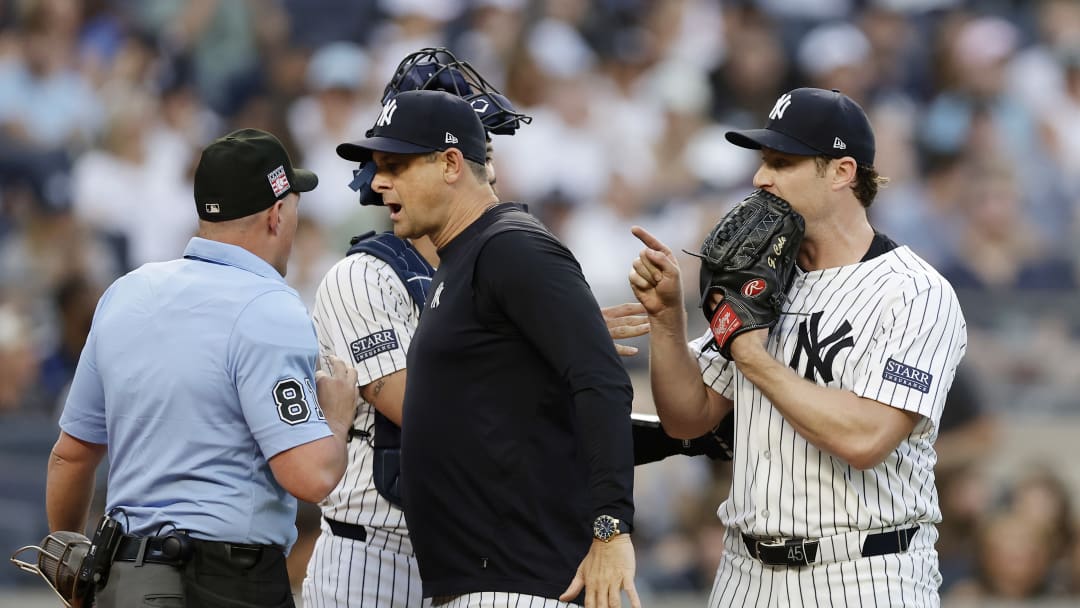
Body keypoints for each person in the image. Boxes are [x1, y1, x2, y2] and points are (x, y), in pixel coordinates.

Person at [627, 88, 967, 606]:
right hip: (744, 571)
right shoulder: (762, 277)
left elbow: (866, 438)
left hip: (865, 570)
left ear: (842, 172)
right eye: (764, 161)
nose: (762, 178)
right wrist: (667, 322)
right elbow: (687, 419)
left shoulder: (914, 291)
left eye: (783, 163)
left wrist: (753, 358)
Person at [339, 88, 640, 608]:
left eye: (395, 165)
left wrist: (611, 529)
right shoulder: (462, 258)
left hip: (521, 582)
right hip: (486, 581)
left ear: (452, 163)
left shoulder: (510, 246)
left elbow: (602, 381)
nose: (378, 180)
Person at [45, 128, 360, 608]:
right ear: (277, 214)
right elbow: (311, 476)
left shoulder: (127, 292)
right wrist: (336, 417)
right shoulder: (270, 307)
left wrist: (74, 566)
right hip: (224, 583)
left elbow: (71, 456)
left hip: (120, 579)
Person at [301, 48, 532, 608]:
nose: (488, 163)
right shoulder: (361, 277)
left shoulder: (502, 266)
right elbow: (421, 406)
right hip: (372, 556)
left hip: (470, 554)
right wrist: (541, 352)